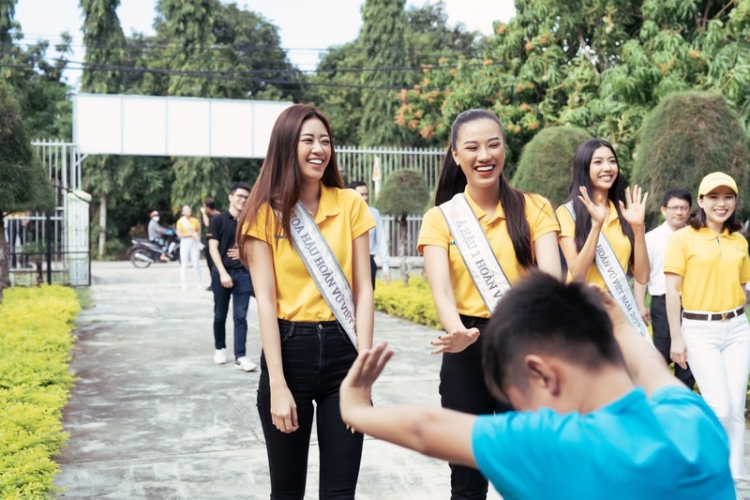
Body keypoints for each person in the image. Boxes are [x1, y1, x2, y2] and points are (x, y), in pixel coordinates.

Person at [339, 272, 735, 499]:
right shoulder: (693, 419)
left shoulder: (555, 444)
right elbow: (653, 371)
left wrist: (356, 408)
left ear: (542, 375)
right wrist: (618, 325)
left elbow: (426, 428)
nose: (527, 414)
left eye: (520, 402)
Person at [417, 109, 561, 500]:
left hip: (524, 344)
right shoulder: (440, 219)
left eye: (493, 144)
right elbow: (442, 292)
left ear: (504, 149)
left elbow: (551, 280)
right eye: (473, 147)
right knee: (467, 473)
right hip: (467, 347)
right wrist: (457, 332)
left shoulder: (535, 208)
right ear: (455, 155)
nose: (484, 155)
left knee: (528, 469)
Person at [237, 103, 375, 500]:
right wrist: (277, 385)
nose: (319, 149)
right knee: (287, 492)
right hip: (288, 350)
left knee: (340, 493)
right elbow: (264, 300)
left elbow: (364, 289)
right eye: (308, 140)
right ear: (286, 146)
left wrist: (362, 369)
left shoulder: (350, 205)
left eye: (325, 141)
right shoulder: (263, 214)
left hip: (343, 354)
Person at [665, 172, 750, 482]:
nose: (721, 203)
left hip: (738, 329)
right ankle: (706, 473)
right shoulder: (682, 238)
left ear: (735, 201)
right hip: (700, 331)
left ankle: (733, 481)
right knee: (720, 408)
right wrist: (677, 337)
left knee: (736, 410)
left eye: (728, 196)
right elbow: (672, 292)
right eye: (713, 197)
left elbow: (744, 286)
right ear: (700, 201)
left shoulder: (739, 240)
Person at [557, 138, 650, 337]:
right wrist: (596, 226)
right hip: (584, 312)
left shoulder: (624, 212)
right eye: (598, 162)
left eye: (612, 161)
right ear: (584, 167)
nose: (607, 168)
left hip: (619, 311)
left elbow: (642, 276)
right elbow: (577, 272)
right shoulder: (568, 213)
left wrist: (638, 228)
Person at [634, 188, 695, 388]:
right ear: (663, 210)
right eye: (674, 207)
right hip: (662, 303)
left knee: (690, 355)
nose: (679, 212)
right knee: (663, 350)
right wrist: (640, 304)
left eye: (683, 208)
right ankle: (655, 393)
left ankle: (681, 397)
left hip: (692, 304)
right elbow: (641, 275)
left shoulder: (695, 236)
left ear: (690, 210)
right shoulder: (651, 238)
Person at [207, 182, 257, 372]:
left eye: (246, 197)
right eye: (239, 196)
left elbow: (257, 245)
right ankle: (219, 348)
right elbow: (212, 247)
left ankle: (241, 356)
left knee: (241, 317)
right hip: (222, 273)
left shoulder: (250, 220)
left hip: (243, 274)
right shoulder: (218, 220)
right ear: (230, 196)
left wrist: (244, 252)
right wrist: (222, 273)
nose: (242, 200)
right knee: (220, 314)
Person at [347, 180, 391, 288]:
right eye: (361, 195)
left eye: (366, 194)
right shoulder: (344, 213)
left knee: (368, 297)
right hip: (348, 263)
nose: (365, 198)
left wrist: (386, 265)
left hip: (368, 262)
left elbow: (380, 239)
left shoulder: (374, 213)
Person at [176, 204, 204, 290]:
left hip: (194, 243)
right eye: (186, 209)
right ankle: (184, 284)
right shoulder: (180, 221)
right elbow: (180, 235)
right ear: (183, 212)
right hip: (185, 243)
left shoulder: (195, 221)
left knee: (196, 264)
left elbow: (198, 232)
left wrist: (197, 240)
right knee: (184, 264)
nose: (189, 211)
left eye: (189, 209)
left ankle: (199, 283)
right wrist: (191, 234)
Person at [200, 197, 220, 281]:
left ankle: (215, 281)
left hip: (215, 243)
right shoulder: (215, 215)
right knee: (210, 263)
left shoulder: (216, 216)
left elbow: (207, 224)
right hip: (209, 242)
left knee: (213, 263)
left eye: (204, 207)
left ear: (208, 207)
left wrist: (203, 214)